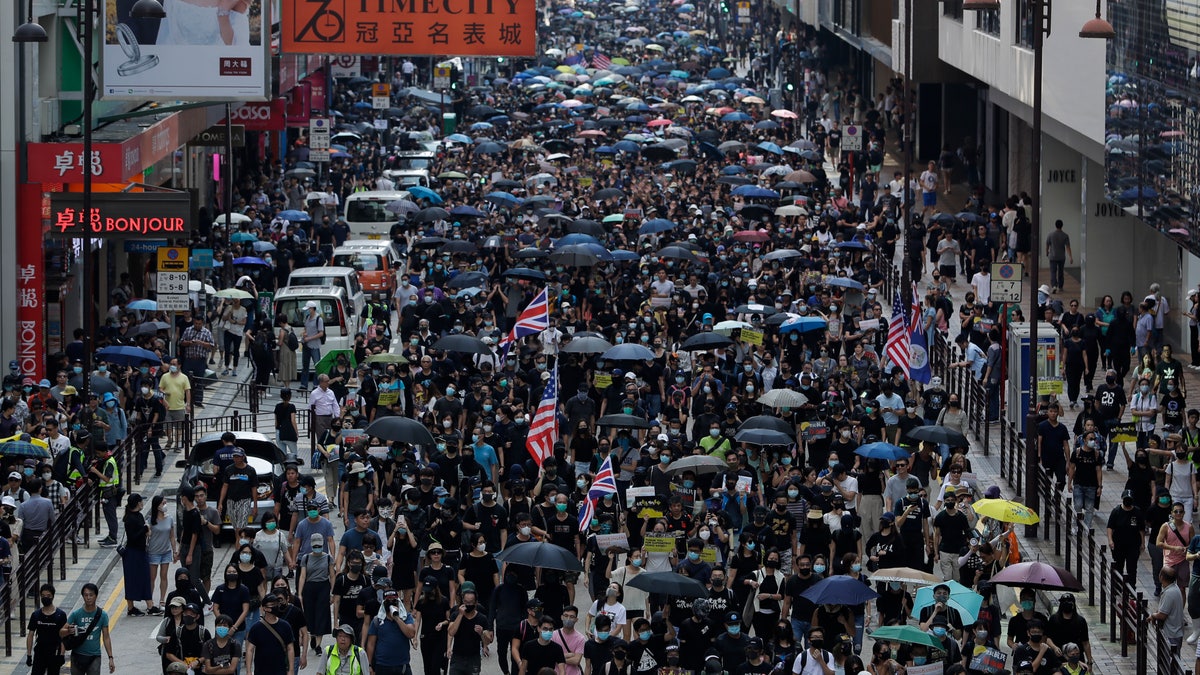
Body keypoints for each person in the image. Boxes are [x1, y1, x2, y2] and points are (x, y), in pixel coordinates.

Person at [60, 582, 114, 675]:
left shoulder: (103, 615)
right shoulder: (75, 614)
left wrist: (110, 658)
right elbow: (61, 632)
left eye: (91, 595)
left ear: (96, 596)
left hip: (94, 657)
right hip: (77, 656)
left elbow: (106, 637)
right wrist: (69, 631)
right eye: (86, 595)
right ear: (83, 596)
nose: (88, 598)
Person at [367, 585, 417, 675]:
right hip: (383, 665)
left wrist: (397, 618)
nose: (391, 603)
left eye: (394, 601)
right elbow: (371, 644)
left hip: (402, 665)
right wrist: (369, 665)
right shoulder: (377, 620)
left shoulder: (406, 617)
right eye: (388, 601)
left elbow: (411, 634)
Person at [120, 493, 155, 616]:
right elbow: (133, 537)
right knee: (131, 580)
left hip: (141, 551)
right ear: (137, 503)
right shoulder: (130, 519)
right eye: (141, 501)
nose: (143, 503)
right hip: (132, 553)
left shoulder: (139, 516)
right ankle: (130, 607)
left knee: (145, 577)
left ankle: (150, 605)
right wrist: (145, 529)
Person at [245, 593, 297, 675]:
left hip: (280, 670)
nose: (275, 606)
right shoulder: (256, 628)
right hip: (261, 670)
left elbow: (290, 648)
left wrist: (291, 670)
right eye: (272, 604)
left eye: (277, 604)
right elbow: (250, 649)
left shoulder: (285, 626)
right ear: (265, 608)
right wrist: (248, 671)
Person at [25, 583, 66, 675]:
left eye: (48, 596)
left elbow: (63, 636)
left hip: (54, 652)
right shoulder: (36, 615)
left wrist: (62, 654)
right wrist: (29, 655)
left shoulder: (60, 615)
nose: (45, 598)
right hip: (40, 652)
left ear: (53, 596)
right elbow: (30, 635)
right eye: (43, 596)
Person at [1153, 567, 1185, 655]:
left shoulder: (1169, 593)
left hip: (1171, 634)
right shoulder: (1174, 588)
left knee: (1169, 663)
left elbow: (1162, 615)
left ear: (1162, 577)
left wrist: (1153, 615)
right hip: (1176, 633)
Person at [300, 301, 326, 390]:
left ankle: (316, 384)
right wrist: (304, 335)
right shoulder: (307, 317)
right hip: (306, 345)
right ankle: (304, 384)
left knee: (317, 365)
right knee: (305, 365)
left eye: (308, 309)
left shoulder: (319, 319)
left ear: (312, 309)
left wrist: (310, 338)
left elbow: (321, 333)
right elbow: (305, 328)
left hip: (315, 345)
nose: (307, 311)